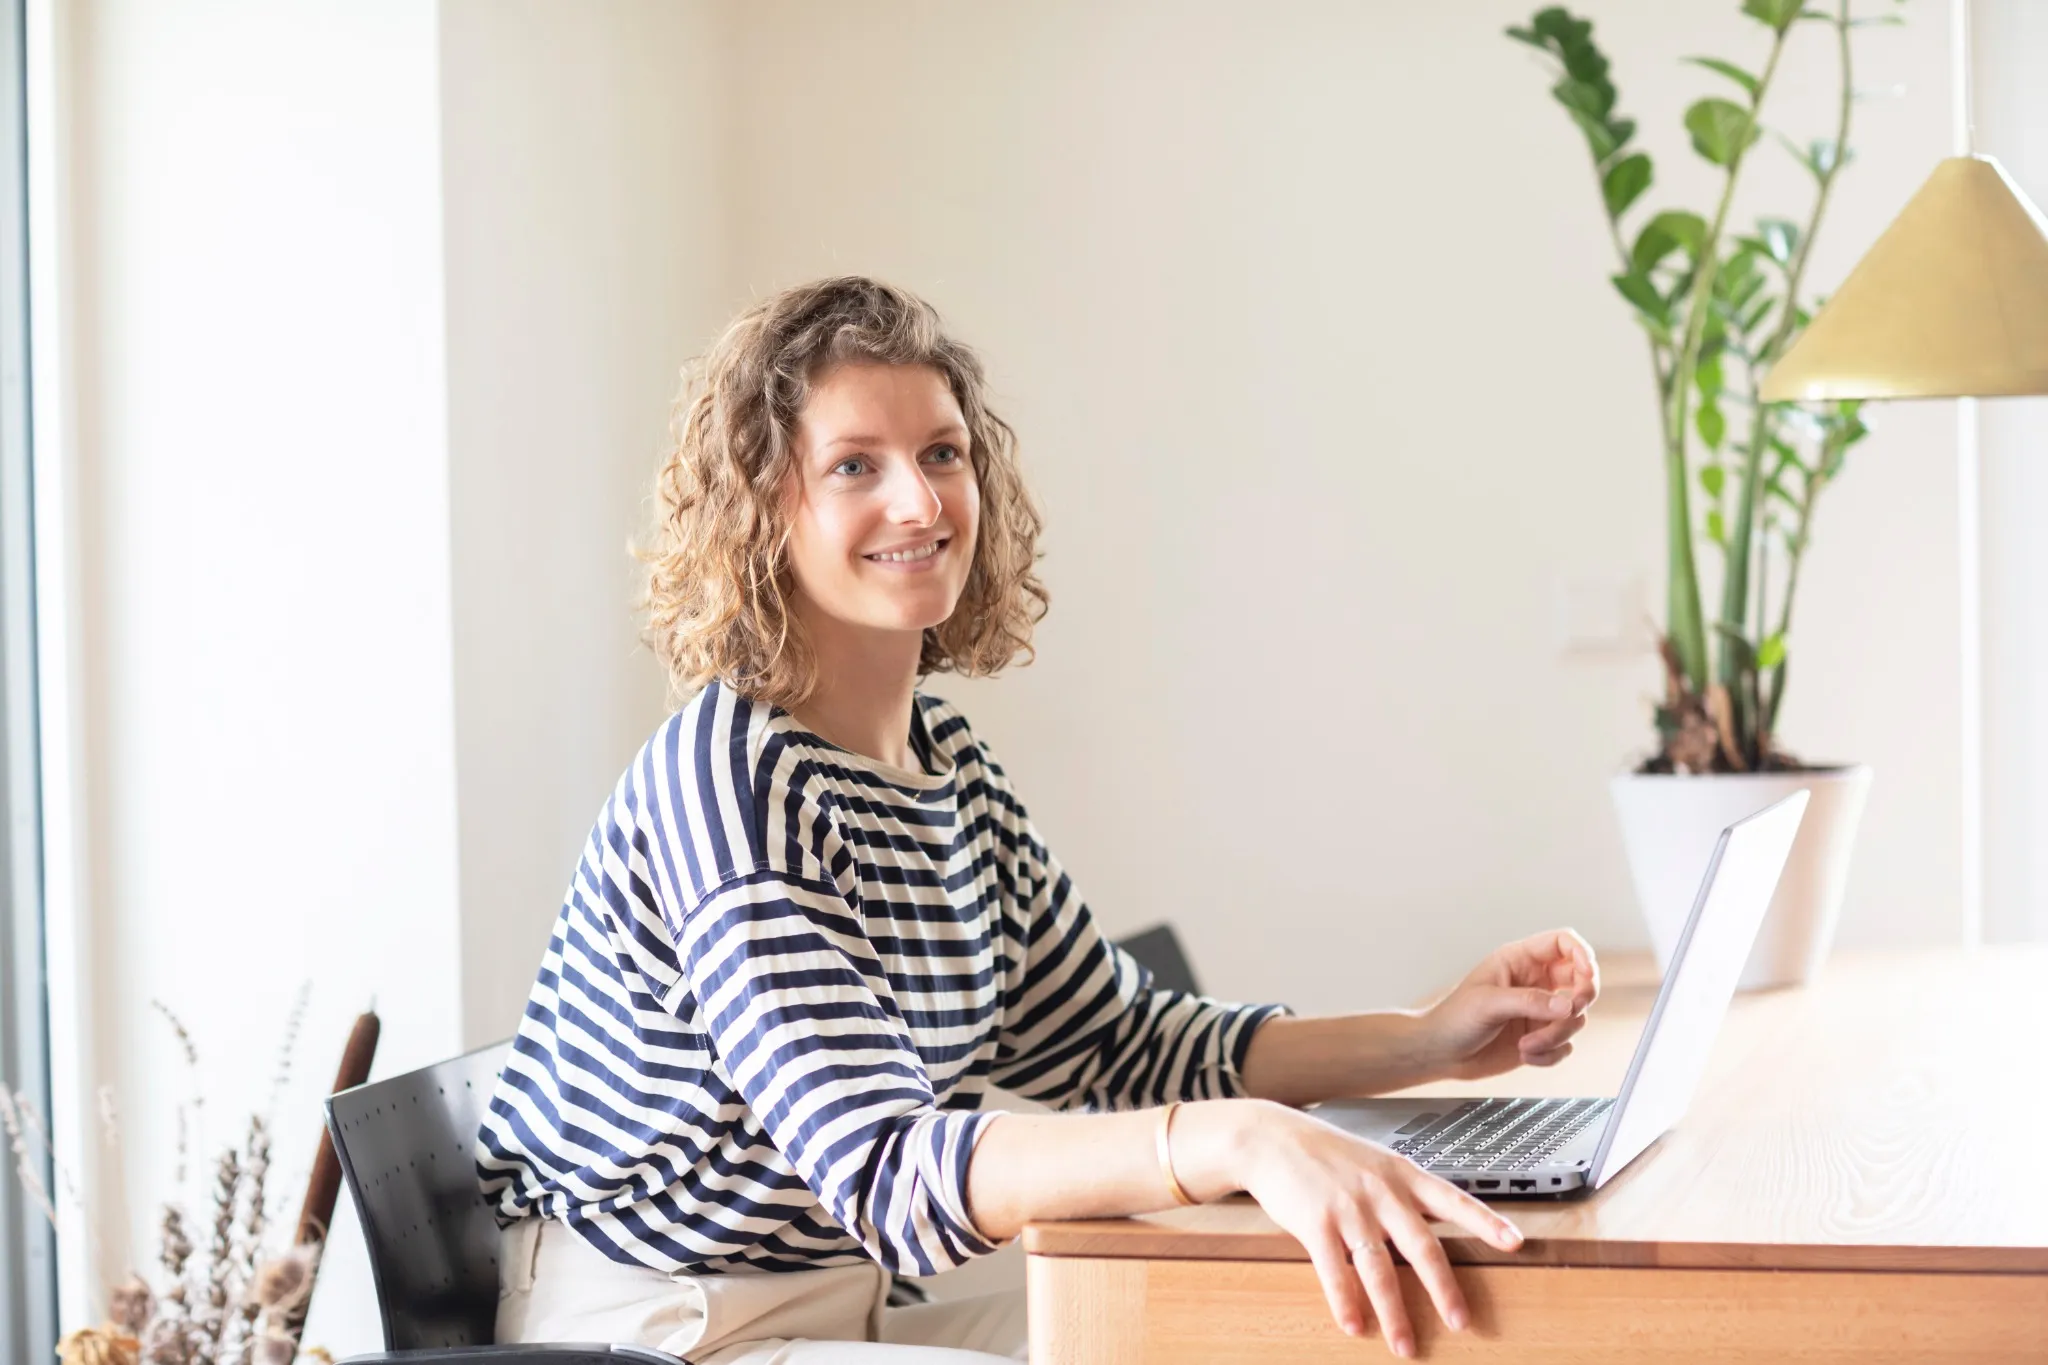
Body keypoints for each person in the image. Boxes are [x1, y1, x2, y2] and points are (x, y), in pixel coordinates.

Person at [478, 277, 1599, 1364]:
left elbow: (1119, 1045)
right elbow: (885, 1172)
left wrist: (1430, 1035)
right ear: (764, 508)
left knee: (1246, 1344)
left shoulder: (943, 765)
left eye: (941, 454)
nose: (917, 503)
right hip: (660, 1332)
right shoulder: (731, 784)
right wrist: (1232, 1140)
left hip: (836, 1305)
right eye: (853, 466)